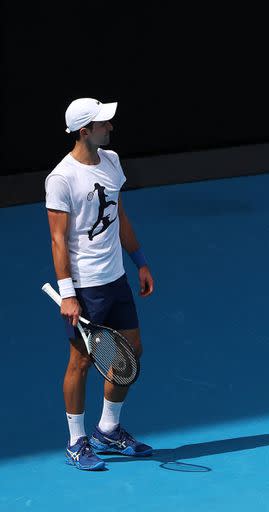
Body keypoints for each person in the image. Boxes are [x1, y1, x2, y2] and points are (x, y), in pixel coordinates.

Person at [45, 98, 155, 470]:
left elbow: (118, 213)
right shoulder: (61, 178)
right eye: (103, 123)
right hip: (85, 287)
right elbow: (58, 239)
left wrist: (139, 261)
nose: (110, 127)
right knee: (82, 361)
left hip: (116, 278)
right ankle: (76, 440)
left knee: (131, 352)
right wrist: (68, 294)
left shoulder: (111, 160)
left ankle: (107, 429)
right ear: (84, 131)